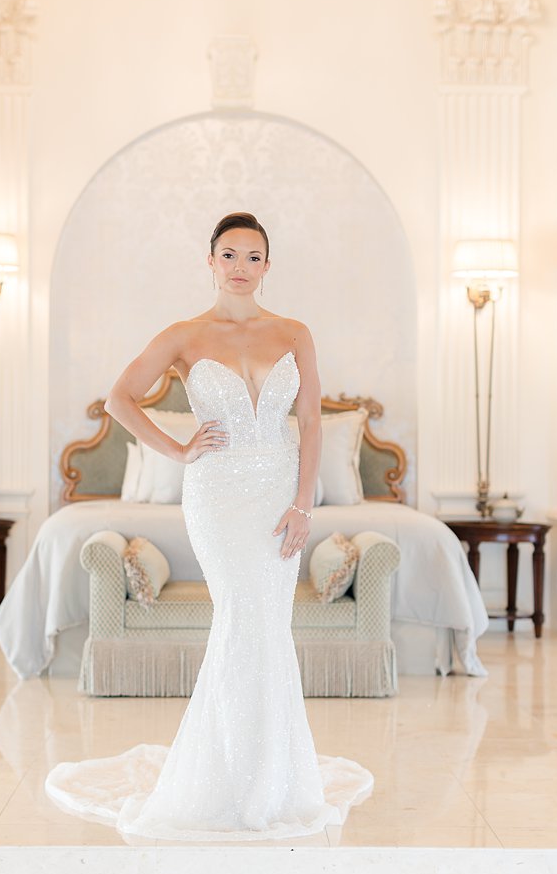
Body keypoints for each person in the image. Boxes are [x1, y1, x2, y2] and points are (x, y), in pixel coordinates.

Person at [44, 211, 373, 841]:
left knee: (268, 624)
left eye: (254, 257)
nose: (242, 267)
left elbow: (308, 423)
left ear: (268, 265)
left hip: (278, 493)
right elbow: (120, 398)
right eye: (230, 255)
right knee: (241, 617)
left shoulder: (295, 333)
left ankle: (271, 777)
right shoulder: (184, 336)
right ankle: (222, 781)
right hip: (218, 497)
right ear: (211, 261)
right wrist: (175, 450)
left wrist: (304, 504)